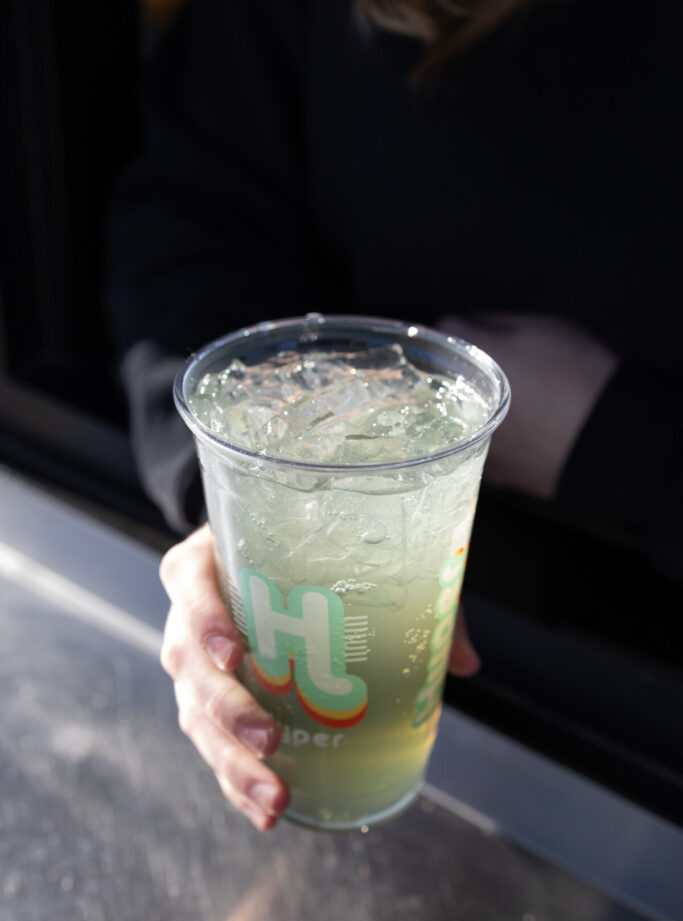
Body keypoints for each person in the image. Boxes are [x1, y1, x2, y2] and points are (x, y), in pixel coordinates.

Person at [107, 0, 683, 830]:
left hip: (645, 693)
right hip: (370, 629)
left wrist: (621, 443)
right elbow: (195, 227)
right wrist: (236, 512)